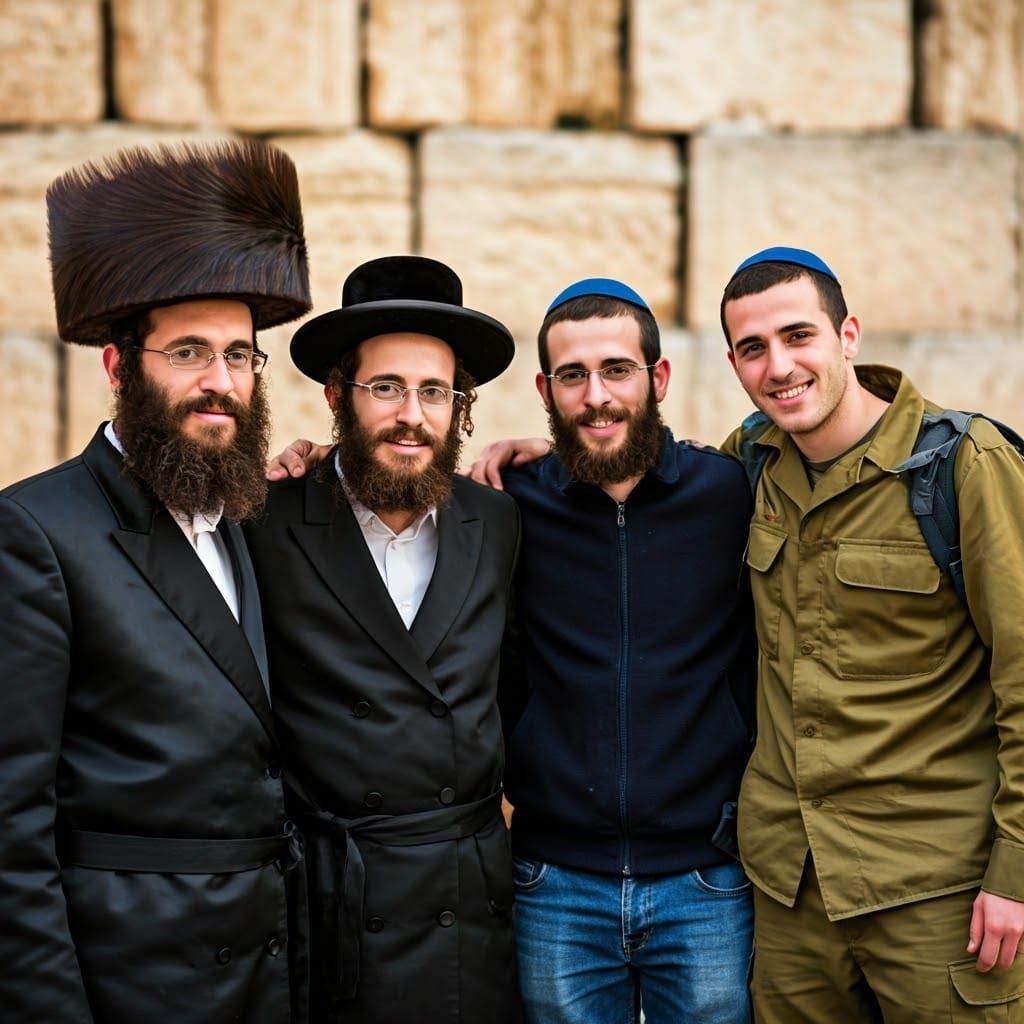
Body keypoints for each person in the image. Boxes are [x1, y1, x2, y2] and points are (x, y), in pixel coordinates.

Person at [277, 277, 759, 1021]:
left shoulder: (729, 492)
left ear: (658, 378)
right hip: (547, 880)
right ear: (546, 390)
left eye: (616, 371)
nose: (595, 395)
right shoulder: (509, 504)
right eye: (573, 376)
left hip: (700, 879)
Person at [0, 140, 311, 1023]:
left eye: (240, 356)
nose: (221, 384)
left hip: (264, 974)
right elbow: (9, 836)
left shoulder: (246, 513)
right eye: (188, 353)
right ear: (117, 365)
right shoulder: (33, 533)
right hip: (135, 985)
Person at [718, 246, 1024, 1021]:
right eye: (753, 349)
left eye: (799, 336)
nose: (779, 366)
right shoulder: (750, 463)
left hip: (940, 890)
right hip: (791, 893)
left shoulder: (963, 465)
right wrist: (541, 457)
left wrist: (1016, 871)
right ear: (733, 362)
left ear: (848, 335)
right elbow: (641, 481)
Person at [244, 255, 522, 1023]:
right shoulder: (267, 521)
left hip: (468, 902)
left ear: (460, 408)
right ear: (338, 397)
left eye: (435, 391)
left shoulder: (497, 520)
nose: (413, 414)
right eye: (388, 388)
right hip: (336, 897)